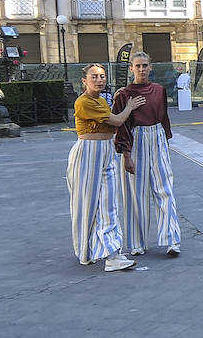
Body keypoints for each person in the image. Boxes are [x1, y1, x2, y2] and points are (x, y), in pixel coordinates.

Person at [68, 64, 145, 272]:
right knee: (86, 204)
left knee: (109, 204)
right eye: (94, 76)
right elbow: (118, 120)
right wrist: (129, 107)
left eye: (102, 76)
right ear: (84, 80)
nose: (99, 80)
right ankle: (87, 251)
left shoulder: (100, 100)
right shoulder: (83, 102)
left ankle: (112, 254)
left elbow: (112, 125)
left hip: (105, 150)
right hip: (88, 153)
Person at [113, 52, 182, 257]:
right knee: (135, 193)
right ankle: (136, 242)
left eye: (145, 65)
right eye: (138, 66)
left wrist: (165, 145)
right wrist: (126, 155)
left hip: (157, 137)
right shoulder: (123, 94)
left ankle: (172, 239)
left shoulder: (159, 90)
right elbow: (122, 126)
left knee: (166, 190)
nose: (141, 69)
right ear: (131, 68)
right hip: (136, 140)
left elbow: (164, 117)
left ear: (150, 67)